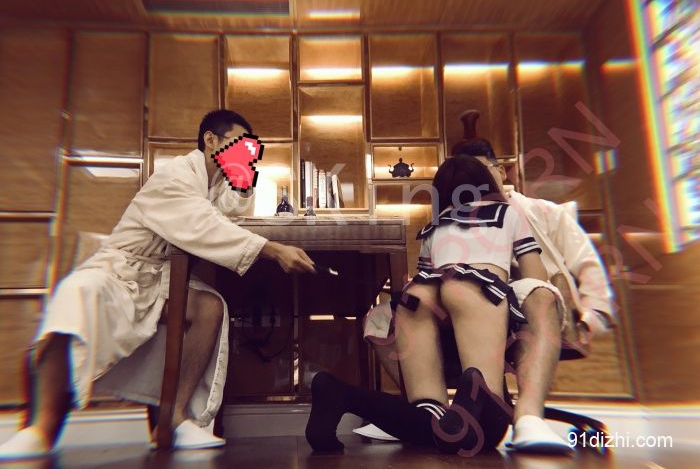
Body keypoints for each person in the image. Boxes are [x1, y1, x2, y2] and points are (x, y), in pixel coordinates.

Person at [0, 109, 316, 460]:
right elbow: (201, 223)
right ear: (210, 140)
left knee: (209, 308)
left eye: (250, 148)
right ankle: (40, 429)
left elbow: (231, 209)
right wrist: (272, 250)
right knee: (75, 295)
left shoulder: (212, 182)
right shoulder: (175, 175)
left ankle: (175, 418)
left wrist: (243, 172)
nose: (246, 152)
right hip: (120, 269)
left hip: (159, 278)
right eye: (239, 144)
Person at [361, 136, 615, 453]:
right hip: (461, 296)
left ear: (499, 171)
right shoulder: (445, 220)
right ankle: (424, 409)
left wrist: (592, 317)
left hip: (521, 293)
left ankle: (529, 418)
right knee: (384, 315)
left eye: (479, 169)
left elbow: (585, 265)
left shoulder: (541, 212)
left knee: (539, 292)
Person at [306, 155, 560, 455]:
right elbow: (535, 277)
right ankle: (474, 388)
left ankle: (339, 394)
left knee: (427, 415)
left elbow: (425, 274)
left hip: (420, 295)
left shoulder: (434, 225)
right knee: (487, 418)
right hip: (475, 289)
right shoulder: (508, 213)